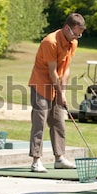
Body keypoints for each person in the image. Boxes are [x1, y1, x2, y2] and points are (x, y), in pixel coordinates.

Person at [28, 13, 86, 172]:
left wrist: (63, 93)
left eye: (80, 34)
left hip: (57, 85)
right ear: (67, 28)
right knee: (39, 121)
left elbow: (66, 69)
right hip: (41, 83)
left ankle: (59, 157)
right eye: (75, 33)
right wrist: (59, 93)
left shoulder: (72, 42)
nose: (77, 37)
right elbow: (52, 72)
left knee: (59, 120)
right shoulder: (50, 42)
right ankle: (36, 160)